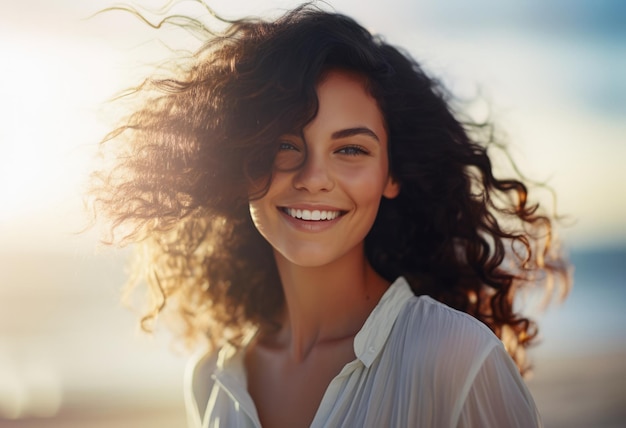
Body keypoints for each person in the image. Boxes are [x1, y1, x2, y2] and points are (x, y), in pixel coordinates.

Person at [90, 3, 570, 427]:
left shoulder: (455, 357)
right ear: (239, 162)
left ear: (391, 173)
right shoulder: (210, 379)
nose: (313, 176)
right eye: (284, 144)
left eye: (351, 149)